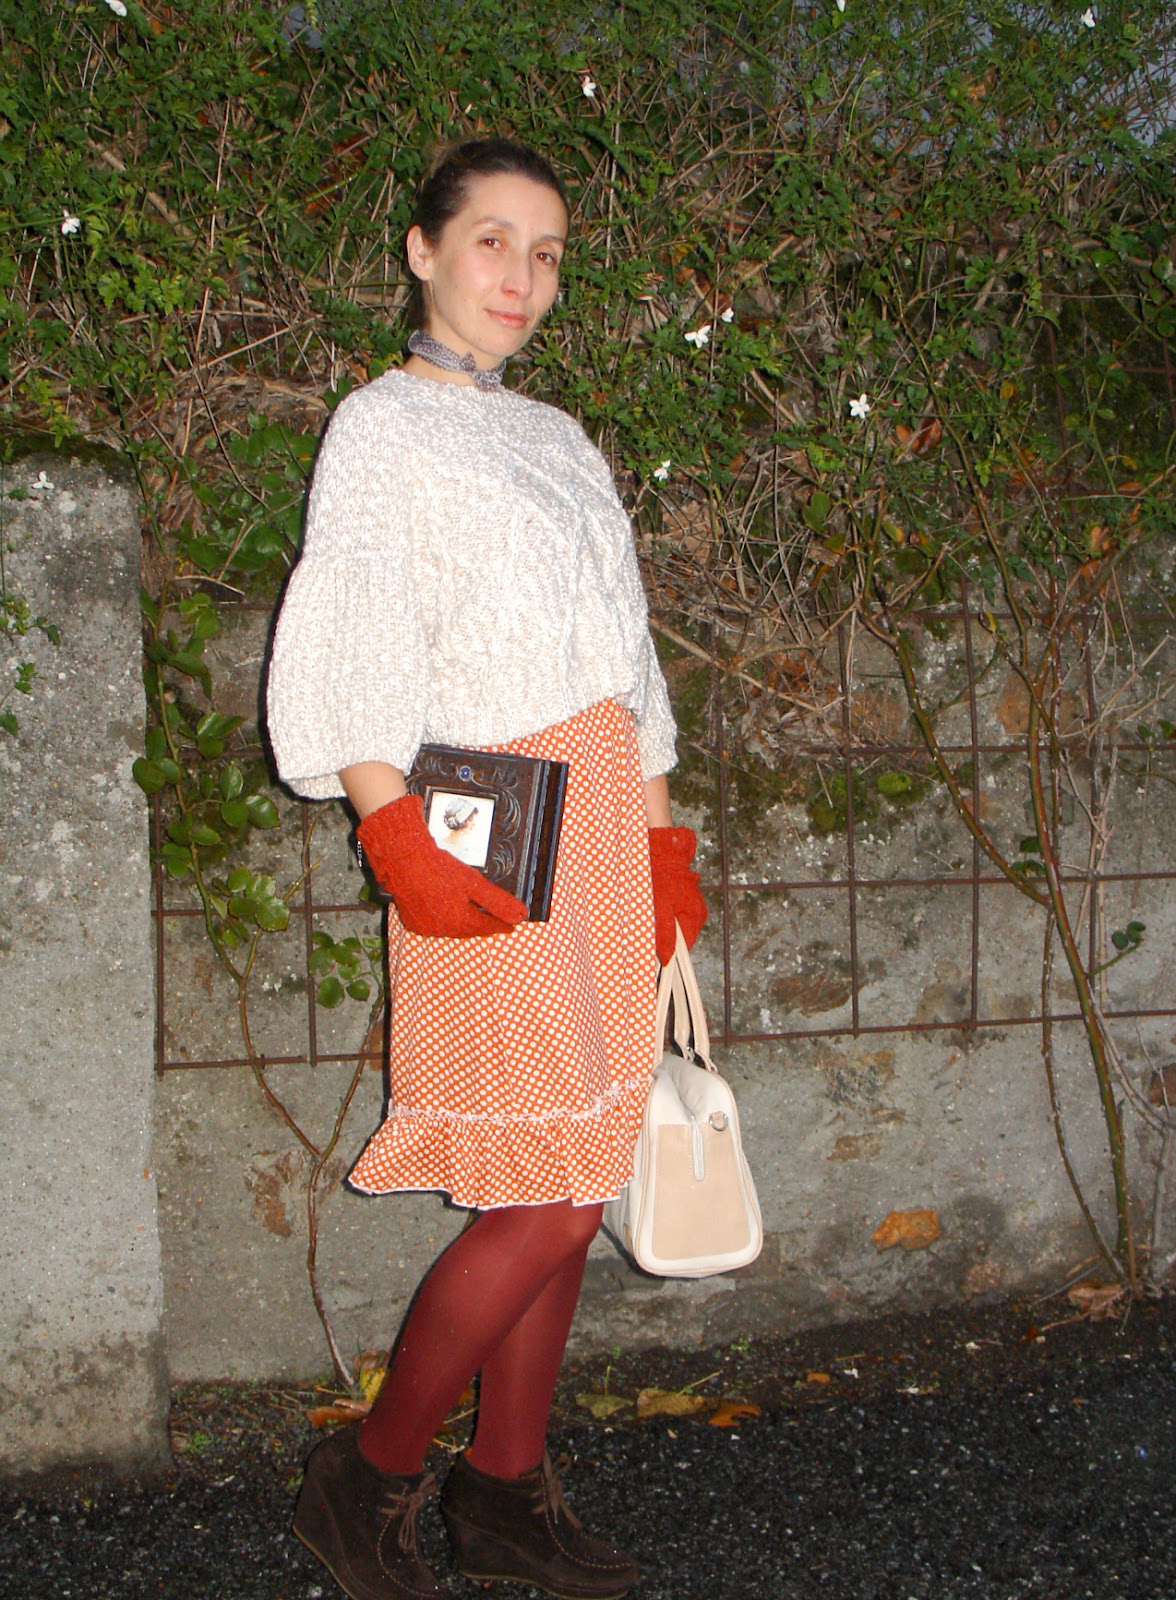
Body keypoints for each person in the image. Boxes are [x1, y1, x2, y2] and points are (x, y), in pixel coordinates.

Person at [266, 136, 707, 1600]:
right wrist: (390, 828)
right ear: (424, 250)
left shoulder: (562, 439)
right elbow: (349, 632)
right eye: (493, 241)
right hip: (488, 826)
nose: (521, 277)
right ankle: (369, 1474)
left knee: (574, 1160)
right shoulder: (380, 428)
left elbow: (632, 660)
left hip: (604, 824)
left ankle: (505, 1492)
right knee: (550, 1196)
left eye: (548, 252)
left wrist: (662, 845)